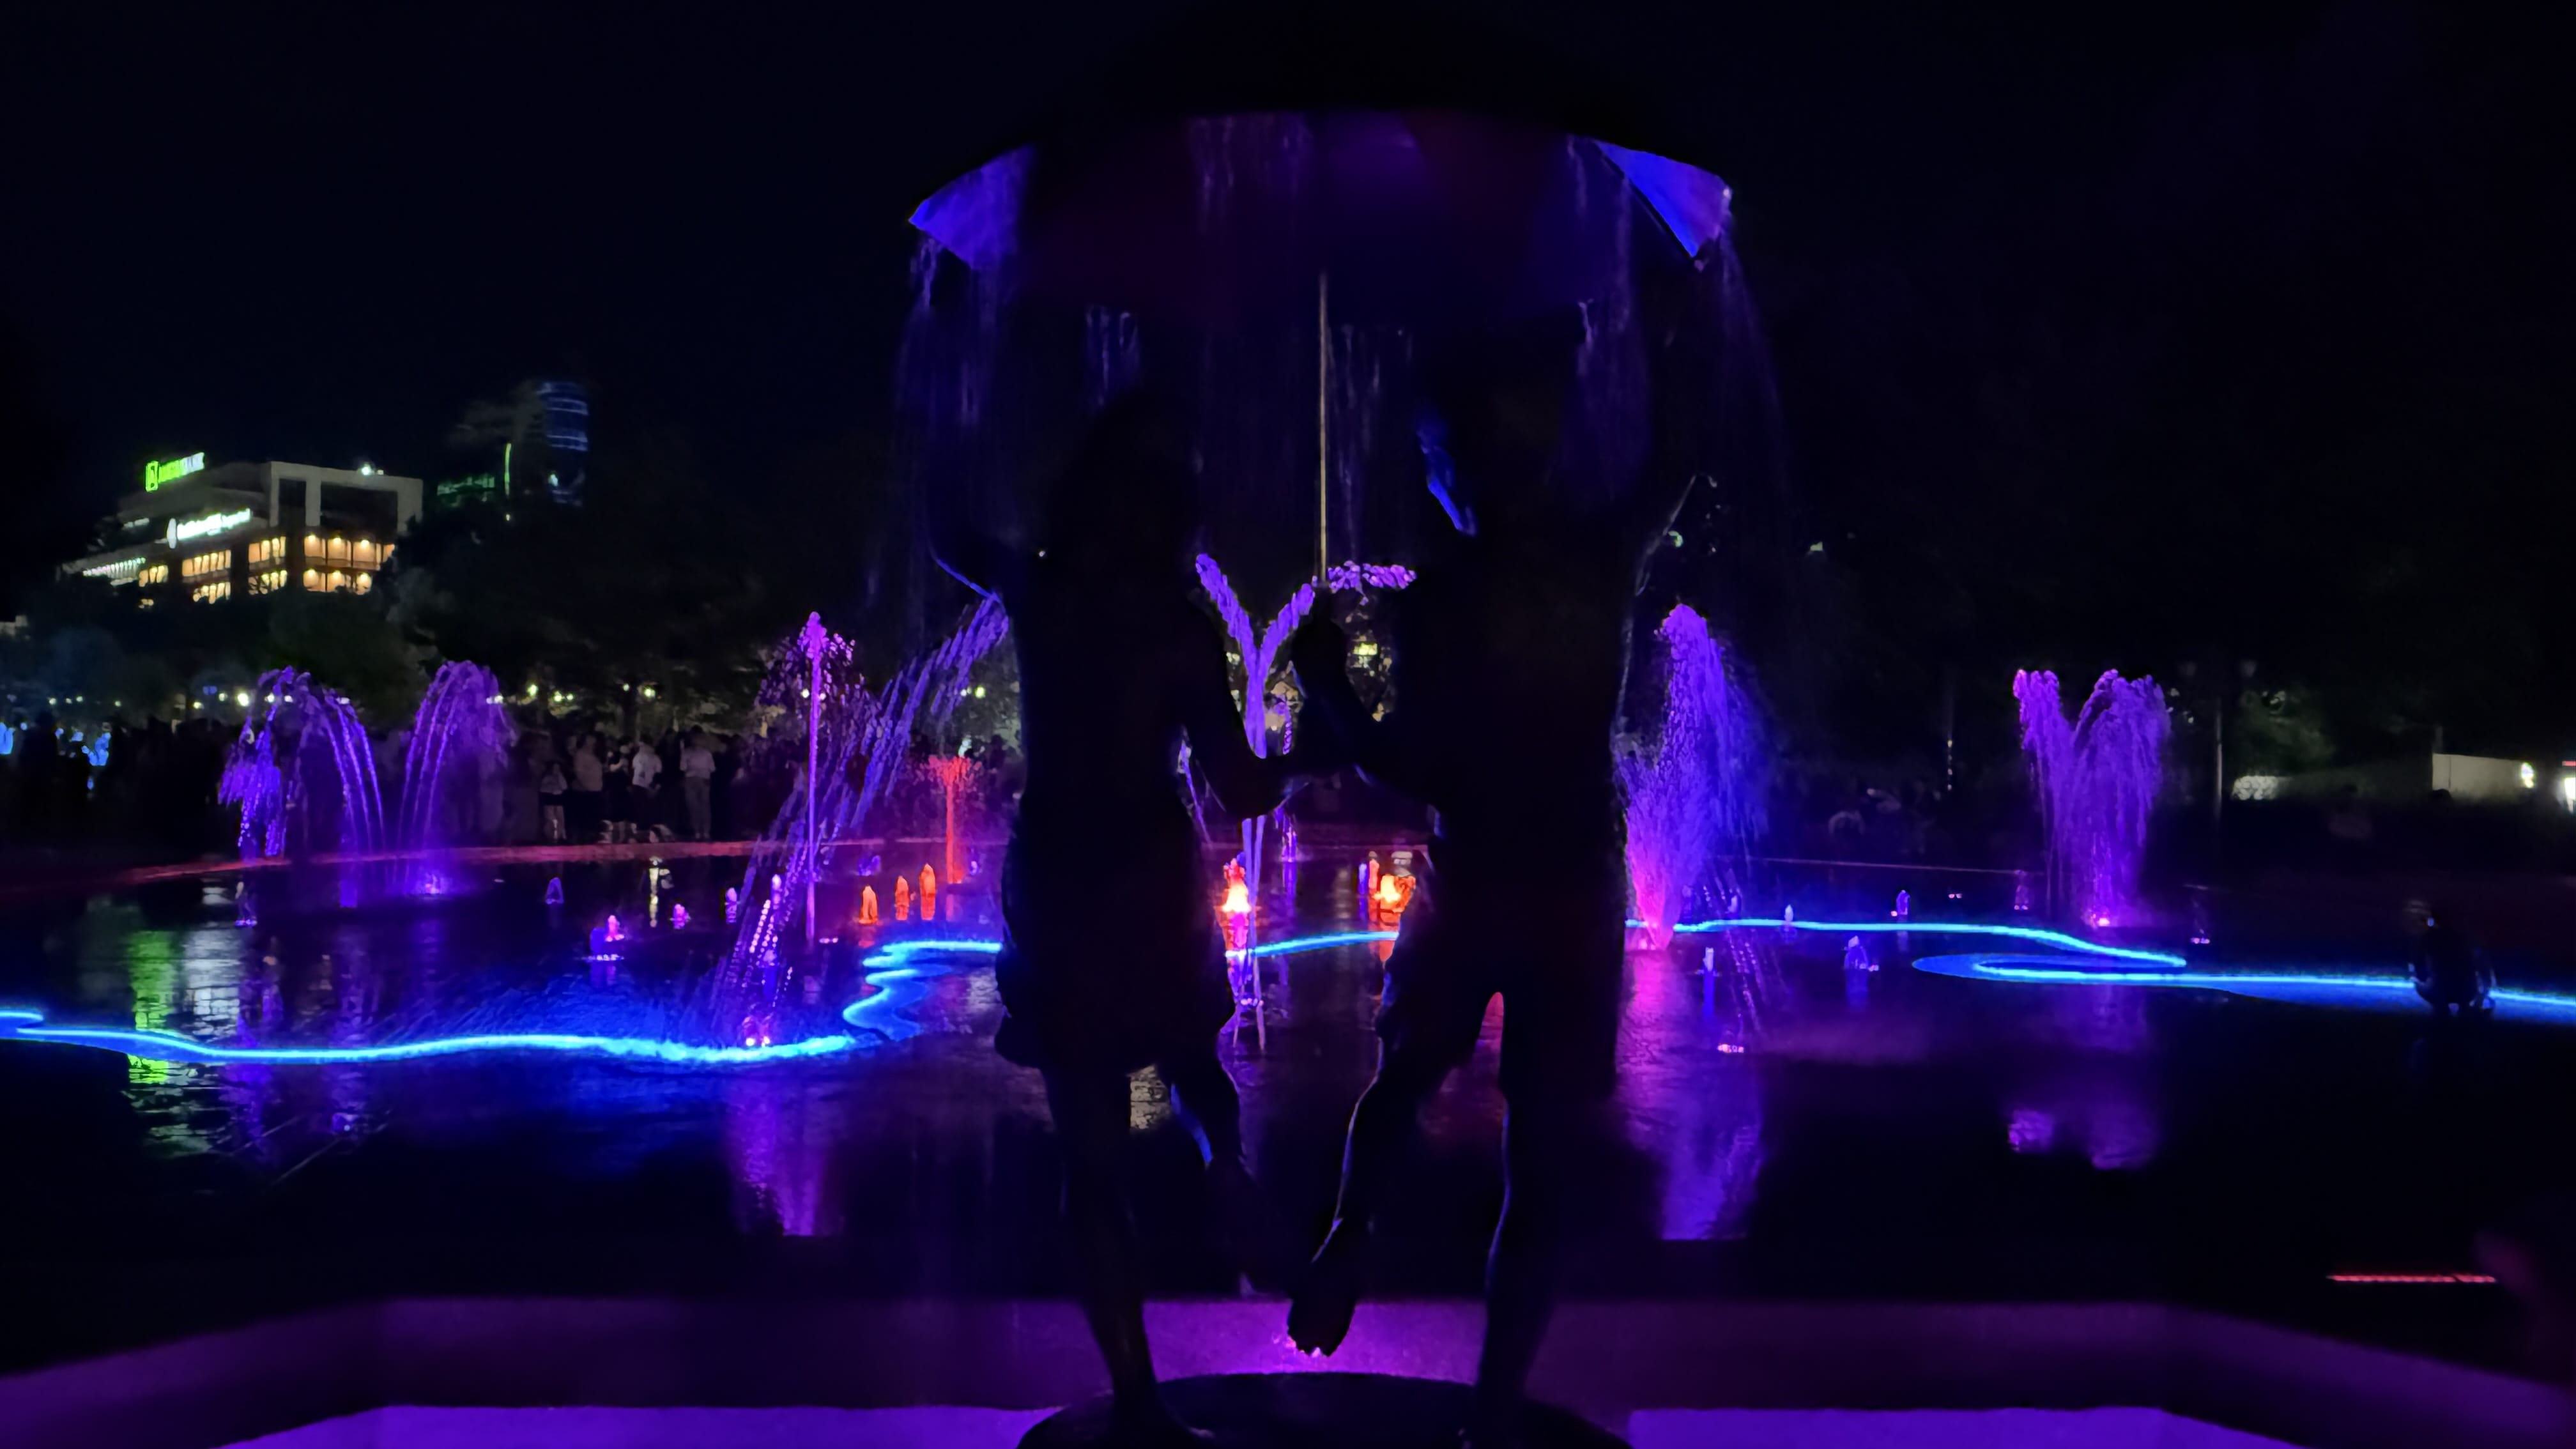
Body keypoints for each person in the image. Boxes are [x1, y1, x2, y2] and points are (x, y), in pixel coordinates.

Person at [1287, 309, 1699, 1443]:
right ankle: (1493, 1408)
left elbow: (1412, 766)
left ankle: (1346, 1232)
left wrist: (1329, 691)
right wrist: (1669, 328)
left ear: (1469, 460)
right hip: (1573, 877)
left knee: (1402, 1074)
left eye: (1430, 458)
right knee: (1542, 1160)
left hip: (1472, 876)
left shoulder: (1444, 598)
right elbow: (1676, 454)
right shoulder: (1601, 555)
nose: (1431, 482)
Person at [936, 393, 1326, 1444]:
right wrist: (1320, 729)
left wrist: (950, 397)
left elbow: (948, 533)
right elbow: (1242, 787)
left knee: (1089, 1152)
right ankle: (1225, 1169)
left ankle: (1140, 1401)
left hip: (1060, 875)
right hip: (1154, 878)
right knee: (1196, 1062)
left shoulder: (1042, 589)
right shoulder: (1179, 627)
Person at [2407, 899, 2495, 1017]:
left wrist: (2421, 978)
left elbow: (2417, 965)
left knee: (2435, 994)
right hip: (2467, 992)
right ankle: (2464, 1014)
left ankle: (2441, 1014)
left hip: (2438, 992)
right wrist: (2482, 994)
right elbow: (2484, 966)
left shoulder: (2428, 938)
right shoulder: (2468, 939)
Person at [569, 734, 606, 844]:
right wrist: (587, 786)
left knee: (593, 823)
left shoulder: (595, 756)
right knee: (584, 823)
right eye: (589, 740)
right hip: (585, 793)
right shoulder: (580, 755)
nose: (592, 743)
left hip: (596, 791)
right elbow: (579, 773)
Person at [680, 732, 716, 841]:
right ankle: (705, 832)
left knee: (694, 806)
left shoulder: (687, 753)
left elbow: (683, 767)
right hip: (704, 779)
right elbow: (712, 768)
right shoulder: (707, 753)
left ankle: (698, 831)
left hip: (692, 780)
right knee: (704, 806)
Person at [629, 735, 664, 841]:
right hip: (649, 785)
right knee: (648, 808)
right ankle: (647, 829)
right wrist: (654, 785)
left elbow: (633, 769)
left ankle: (641, 828)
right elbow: (659, 772)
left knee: (640, 807)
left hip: (637, 784)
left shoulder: (638, 756)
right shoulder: (654, 757)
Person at [537, 757, 568, 844]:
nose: (556, 770)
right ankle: (549, 837)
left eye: (558, 768)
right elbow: (542, 788)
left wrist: (559, 777)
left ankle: (559, 837)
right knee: (550, 820)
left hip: (559, 802)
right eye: (554, 768)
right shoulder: (547, 777)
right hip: (549, 801)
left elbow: (564, 787)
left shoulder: (561, 777)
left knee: (560, 820)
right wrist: (551, 788)